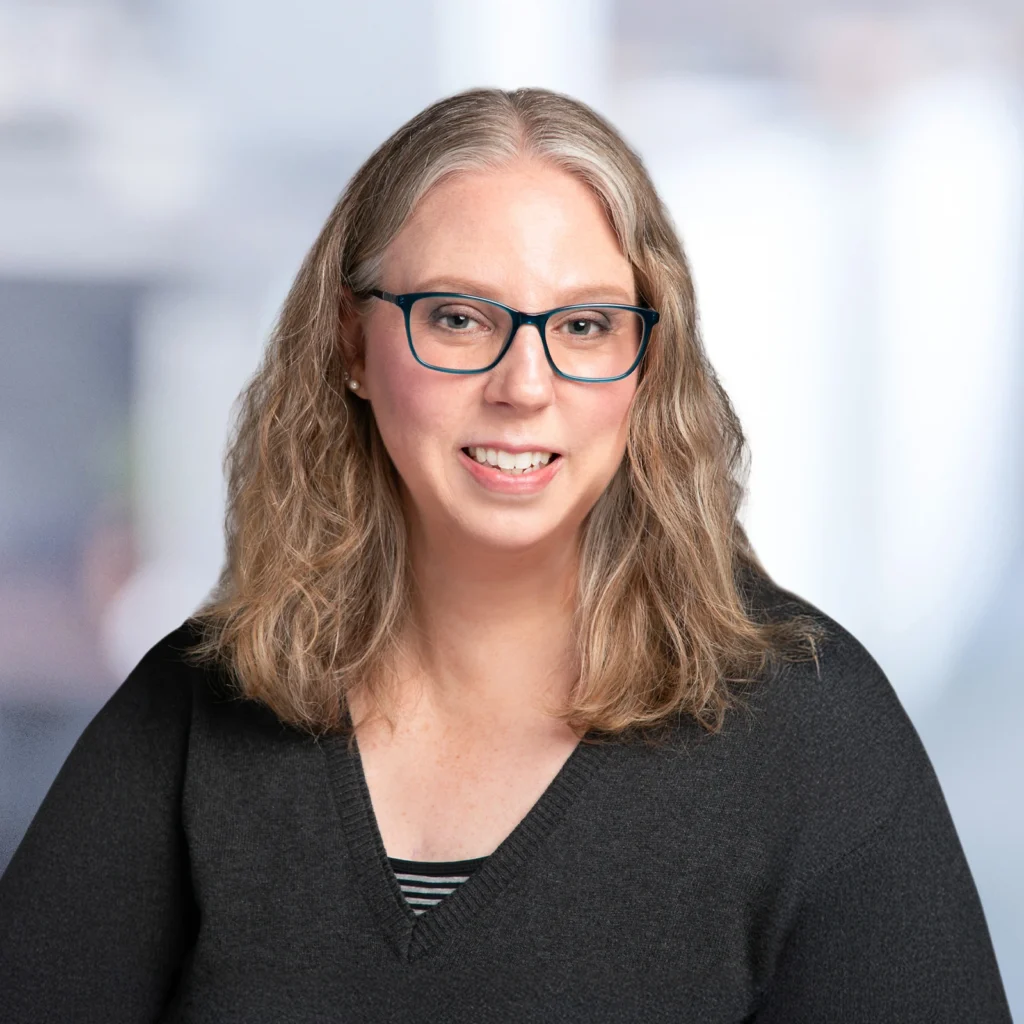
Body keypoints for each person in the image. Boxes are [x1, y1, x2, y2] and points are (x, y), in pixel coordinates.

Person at [0, 87, 1012, 1023]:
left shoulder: (810, 731)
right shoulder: (205, 704)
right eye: (456, 317)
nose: (523, 384)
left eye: (581, 325)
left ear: (645, 363)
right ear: (352, 344)